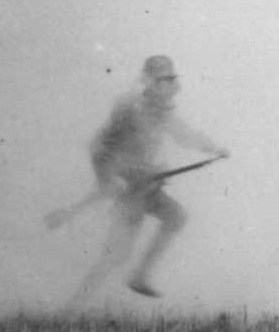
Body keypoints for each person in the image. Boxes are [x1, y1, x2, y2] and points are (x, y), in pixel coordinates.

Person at [67, 54, 229, 301]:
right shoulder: (129, 109)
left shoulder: (161, 112)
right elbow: (99, 148)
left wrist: (214, 148)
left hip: (147, 187)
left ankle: (139, 276)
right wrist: (109, 179)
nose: (169, 87)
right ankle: (72, 308)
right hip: (129, 190)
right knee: (115, 255)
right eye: (163, 80)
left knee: (176, 217)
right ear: (151, 82)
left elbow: (185, 134)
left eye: (170, 80)